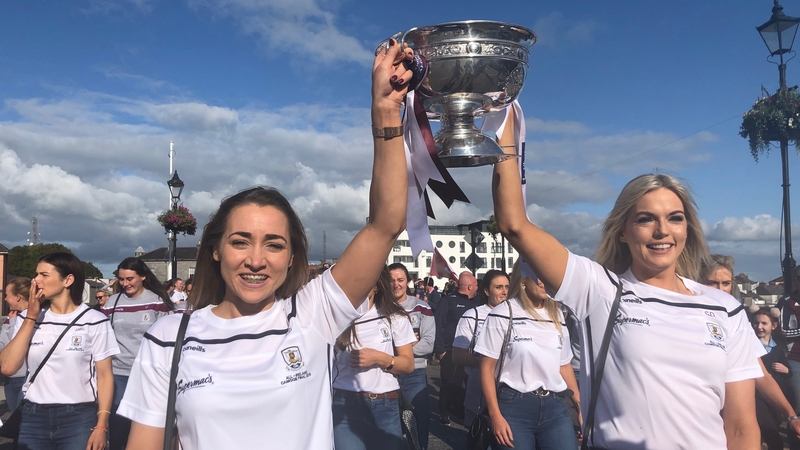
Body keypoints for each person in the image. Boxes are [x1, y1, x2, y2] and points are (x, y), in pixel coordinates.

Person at [118, 40, 412, 450]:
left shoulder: (311, 316)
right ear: (215, 250)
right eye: (241, 242)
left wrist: (385, 109)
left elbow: (385, 225)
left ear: (291, 258)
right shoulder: (170, 335)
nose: (255, 260)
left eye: (274, 245)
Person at [491, 107, 762, 449]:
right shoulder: (600, 290)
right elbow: (514, 224)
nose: (662, 231)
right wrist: (503, 118)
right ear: (622, 231)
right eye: (646, 219)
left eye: (675, 218)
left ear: (687, 229)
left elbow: (740, 427)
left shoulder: (726, 307)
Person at [0, 252, 119, 450]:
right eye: (36, 274)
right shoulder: (27, 318)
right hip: (33, 415)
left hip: (78, 416)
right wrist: (30, 318)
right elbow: (7, 367)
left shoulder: (94, 320)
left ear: (68, 280)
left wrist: (101, 425)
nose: (36, 280)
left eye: (44, 275)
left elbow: (105, 376)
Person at [474, 263, 579, 450]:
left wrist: (580, 408)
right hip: (514, 406)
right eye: (538, 275)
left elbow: (564, 366)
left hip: (555, 406)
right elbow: (487, 368)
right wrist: (495, 415)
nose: (544, 281)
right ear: (523, 279)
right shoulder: (503, 313)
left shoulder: (557, 315)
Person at [701, 254, 800, 445]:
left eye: (726, 283)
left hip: (731, 408)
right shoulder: (685, 317)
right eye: (712, 283)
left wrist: (791, 415)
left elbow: (761, 374)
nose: (720, 290)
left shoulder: (736, 320)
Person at [332, 266, 416, 450]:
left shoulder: (395, 316)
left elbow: (408, 365)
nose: (361, 285)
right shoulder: (334, 318)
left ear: (377, 286)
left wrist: (381, 359)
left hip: (386, 404)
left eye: (367, 279)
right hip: (345, 403)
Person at [102, 257, 174, 450]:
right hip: (119, 373)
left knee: (147, 424)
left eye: (130, 279)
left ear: (142, 277)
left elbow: (168, 337)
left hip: (148, 374)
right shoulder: (112, 303)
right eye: (121, 279)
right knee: (119, 427)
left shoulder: (157, 301)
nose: (125, 283)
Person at [451, 269, 508, 428]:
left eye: (507, 287)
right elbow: (458, 355)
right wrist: (489, 363)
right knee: (479, 436)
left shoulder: (518, 316)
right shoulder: (472, 315)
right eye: (498, 287)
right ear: (486, 291)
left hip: (511, 395)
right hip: (478, 391)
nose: (504, 292)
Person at [390, 262, 435, 449]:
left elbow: (428, 344)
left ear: (407, 281)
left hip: (415, 374)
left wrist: (397, 348)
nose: (396, 284)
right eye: (391, 280)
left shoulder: (422, 307)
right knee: (390, 430)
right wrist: (409, 344)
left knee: (417, 429)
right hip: (388, 374)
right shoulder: (378, 307)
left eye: (400, 280)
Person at [433, 271, 479, 425]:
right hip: (451, 351)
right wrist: (440, 350)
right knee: (448, 383)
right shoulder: (448, 301)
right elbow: (438, 325)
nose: (477, 288)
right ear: (470, 286)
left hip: (472, 351)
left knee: (471, 384)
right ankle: (445, 413)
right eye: (476, 285)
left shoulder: (478, 301)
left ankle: (466, 412)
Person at [751, 307, 795, 450]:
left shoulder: (778, 348)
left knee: (774, 424)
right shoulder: (750, 346)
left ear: (774, 326)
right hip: (758, 395)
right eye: (756, 323)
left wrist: (785, 369)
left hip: (776, 396)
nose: (759, 327)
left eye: (764, 323)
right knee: (769, 431)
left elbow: (789, 373)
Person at [1, 277, 31, 411]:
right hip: (9, 378)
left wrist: (12, 323)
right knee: (15, 418)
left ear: (18, 297)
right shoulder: (11, 318)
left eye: (7, 295)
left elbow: (15, 343)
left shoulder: (34, 318)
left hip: (24, 377)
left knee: (23, 418)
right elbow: (3, 344)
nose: (5, 299)